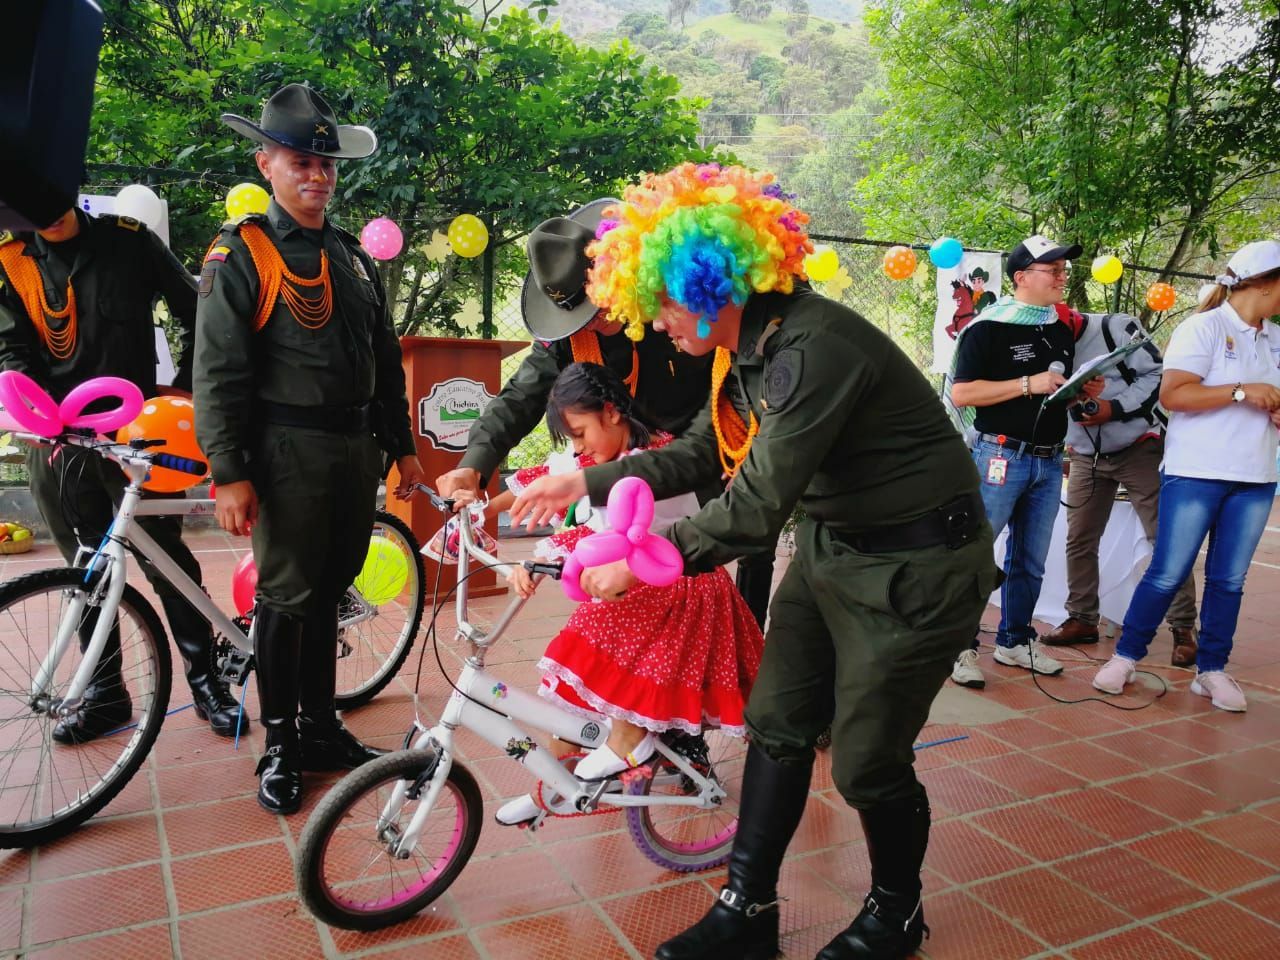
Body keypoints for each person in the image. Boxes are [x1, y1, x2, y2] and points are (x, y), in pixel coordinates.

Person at [510, 163, 995, 960]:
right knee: (777, 725)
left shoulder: (814, 347)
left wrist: (644, 562)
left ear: (710, 283)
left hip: (918, 565)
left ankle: (896, 912)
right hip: (836, 548)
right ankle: (746, 909)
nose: (654, 322)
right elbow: (705, 455)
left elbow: (756, 505)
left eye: (664, 302)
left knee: (866, 761)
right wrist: (583, 481)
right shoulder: (747, 353)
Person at [194, 84, 424, 814]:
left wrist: (402, 445)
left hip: (354, 449)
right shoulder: (243, 253)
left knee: (330, 591)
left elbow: (383, 357)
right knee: (286, 600)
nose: (317, 175)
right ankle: (280, 744)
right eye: (301, 161)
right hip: (286, 450)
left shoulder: (351, 257)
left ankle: (321, 728)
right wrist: (228, 471)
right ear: (266, 164)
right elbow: (219, 371)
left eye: (326, 163)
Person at [433, 203, 775, 629]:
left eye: (596, 308)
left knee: (747, 544)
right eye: (577, 315)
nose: (592, 322)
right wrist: (474, 464)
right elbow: (521, 396)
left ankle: (748, 636)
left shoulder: (675, 308)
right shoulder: (570, 334)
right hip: (632, 465)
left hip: (714, 447)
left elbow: (735, 378)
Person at [0, 206, 246, 743]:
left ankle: (207, 683)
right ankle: (106, 695)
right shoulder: (11, 259)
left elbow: (199, 311)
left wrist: (184, 387)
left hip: (137, 433)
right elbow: (10, 348)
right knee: (84, 570)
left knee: (167, 562)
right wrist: (32, 406)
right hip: (57, 441)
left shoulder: (128, 241)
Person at [480, 361, 763, 826]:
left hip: (679, 593)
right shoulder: (597, 458)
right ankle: (553, 788)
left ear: (611, 412)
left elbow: (610, 531)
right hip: (631, 591)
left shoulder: (653, 462)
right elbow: (546, 482)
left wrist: (541, 557)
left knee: (604, 668)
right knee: (570, 691)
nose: (578, 447)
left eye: (580, 433)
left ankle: (629, 743)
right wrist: (478, 509)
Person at [1093, 241, 1280, 712]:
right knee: (1168, 571)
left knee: (1229, 579)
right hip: (1196, 471)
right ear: (1264, 284)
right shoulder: (1204, 327)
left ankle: (1212, 670)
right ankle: (1125, 658)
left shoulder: (1275, 338)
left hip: (1256, 476)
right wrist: (1242, 391)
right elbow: (1175, 395)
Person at [946, 235, 1104, 690]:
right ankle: (958, 646)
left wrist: (1078, 392)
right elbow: (962, 393)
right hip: (997, 456)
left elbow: (1049, 395)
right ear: (1021, 277)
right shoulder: (987, 327)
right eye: (1052, 270)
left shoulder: (1059, 328)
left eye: (1063, 270)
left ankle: (1015, 640)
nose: (1062, 277)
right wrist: (1027, 383)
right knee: (976, 554)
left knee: (1030, 560)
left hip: (1049, 461)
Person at [1040, 309, 1199, 666]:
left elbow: (1158, 375)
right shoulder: (1040, 341)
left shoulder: (1116, 327)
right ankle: (1082, 617)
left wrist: (1113, 408)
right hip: (1086, 454)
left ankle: (1184, 627)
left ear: (1072, 323)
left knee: (1165, 538)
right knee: (1080, 539)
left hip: (1139, 446)